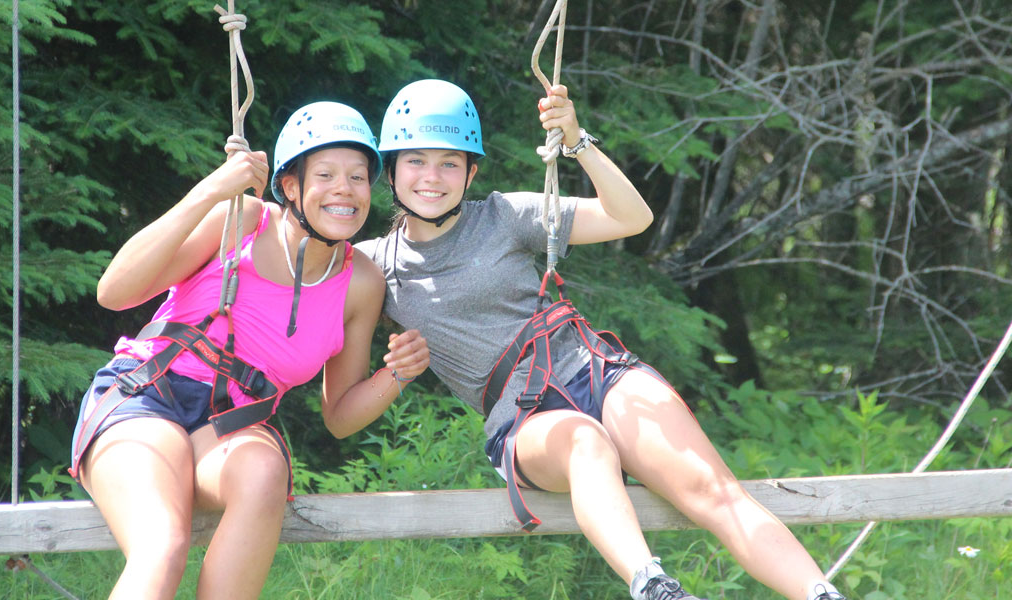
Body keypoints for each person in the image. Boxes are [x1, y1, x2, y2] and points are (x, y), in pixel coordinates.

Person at [357, 79, 847, 600]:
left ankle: (820, 593)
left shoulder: (504, 216)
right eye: (416, 161)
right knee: (584, 442)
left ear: (471, 172)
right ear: (392, 169)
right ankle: (653, 586)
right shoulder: (374, 266)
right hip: (523, 420)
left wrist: (577, 141)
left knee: (710, 487)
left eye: (449, 163)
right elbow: (304, 267)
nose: (432, 177)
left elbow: (631, 217)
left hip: (594, 369)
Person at [70, 101, 429, 600]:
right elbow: (114, 292)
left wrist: (397, 375)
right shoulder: (242, 219)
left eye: (358, 177)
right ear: (291, 186)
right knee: (163, 546)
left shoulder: (360, 282)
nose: (345, 189)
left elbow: (340, 416)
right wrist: (211, 192)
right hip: (145, 394)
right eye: (325, 174)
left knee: (265, 471)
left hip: (226, 427)